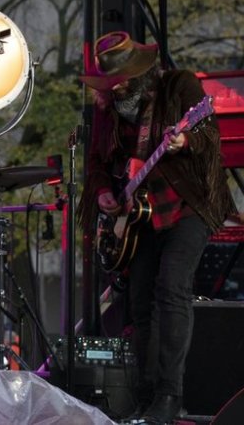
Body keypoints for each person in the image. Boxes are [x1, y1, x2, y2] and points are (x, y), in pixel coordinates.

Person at [78, 31, 232, 424]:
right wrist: (101, 195)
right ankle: (146, 396)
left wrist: (185, 141)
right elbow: (96, 162)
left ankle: (170, 394)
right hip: (139, 215)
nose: (121, 85)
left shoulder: (178, 87)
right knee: (140, 302)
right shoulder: (106, 110)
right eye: (114, 81)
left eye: (126, 77)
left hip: (187, 204)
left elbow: (209, 135)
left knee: (172, 289)